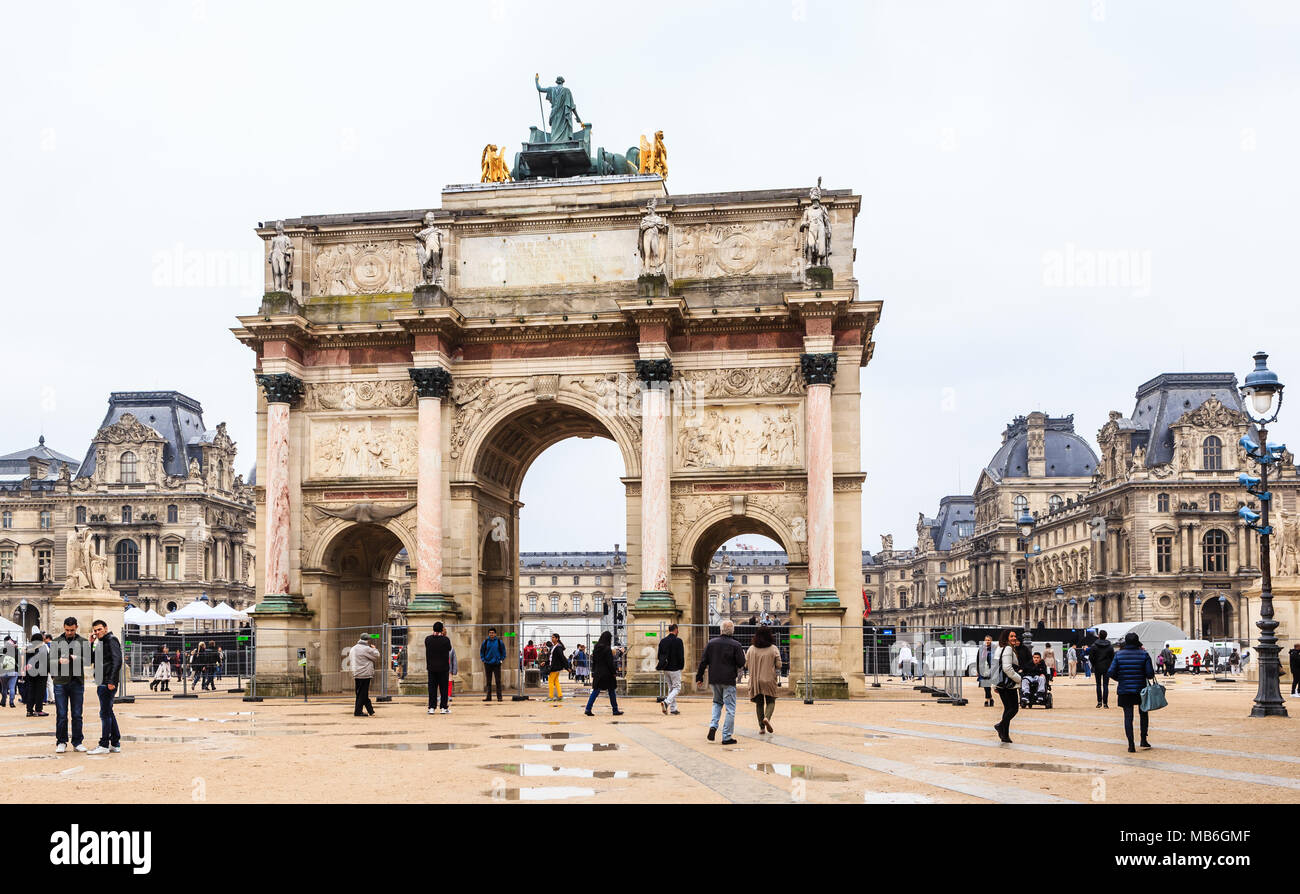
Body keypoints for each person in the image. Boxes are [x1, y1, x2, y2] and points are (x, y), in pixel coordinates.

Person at [696, 619, 746, 746]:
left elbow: (703, 661)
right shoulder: (736, 645)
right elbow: (741, 663)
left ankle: (713, 726)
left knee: (717, 703)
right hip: (728, 679)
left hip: (714, 679)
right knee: (730, 709)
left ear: (721, 630)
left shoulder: (711, 643)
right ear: (732, 631)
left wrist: (699, 677)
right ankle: (726, 736)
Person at [1107, 632, 1156, 752]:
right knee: (1143, 715)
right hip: (1141, 689)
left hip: (1125, 689)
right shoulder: (1144, 654)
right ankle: (1143, 740)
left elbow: (1110, 672)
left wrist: (1121, 679)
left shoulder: (1118, 655)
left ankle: (1131, 745)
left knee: (1128, 717)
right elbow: (1150, 674)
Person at [50, 618, 91, 753]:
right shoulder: (56, 642)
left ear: (76, 627)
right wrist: (59, 661)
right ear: (63, 627)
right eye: (67, 630)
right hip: (60, 682)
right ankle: (61, 741)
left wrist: (76, 658)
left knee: (77, 714)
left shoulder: (83, 642)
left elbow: (88, 661)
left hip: (77, 682)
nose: (69, 632)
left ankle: (77, 741)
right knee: (61, 714)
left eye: (72, 630)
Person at [87, 620, 122, 755]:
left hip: (107, 681)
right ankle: (115, 742)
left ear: (106, 628)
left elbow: (117, 660)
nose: (97, 632)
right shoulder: (101, 642)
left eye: (99, 629)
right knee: (108, 711)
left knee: (104, 713)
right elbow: (90, 659)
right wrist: (90, 643)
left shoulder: (111, 640)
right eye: (95, 630)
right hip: (103, 680)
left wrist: (112, 680)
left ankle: (104, 744)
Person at [746, 626, 781, 734]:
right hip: (769, 678)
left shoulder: (751, 649)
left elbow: (746, 664)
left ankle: (761, 727)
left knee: (759, 703)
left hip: (755, 680)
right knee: (771, 701)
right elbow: (779, 665)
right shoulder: (773, 648)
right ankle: (767, 718)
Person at [993, 629, 1023, 744]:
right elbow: (1007, 668)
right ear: (1006, 638)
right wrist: (1020, 679)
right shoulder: (1008, 648)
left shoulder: (999, 648)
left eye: (1015, 636)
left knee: (1007, 709)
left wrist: (994, 683)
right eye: (1011, 636)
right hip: (1008, 684)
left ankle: (1004, 735)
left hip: (1001, 683)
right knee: (1014, 708)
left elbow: (995, 666)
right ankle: (1000, 726)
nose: (1014, 638)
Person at [583, 631, 623, 716]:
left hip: (598, 672)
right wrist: (614, 672)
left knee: (595, 691)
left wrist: (593, 671)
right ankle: (615, 710)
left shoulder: (596, 648)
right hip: (607, 673)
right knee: (611, 691)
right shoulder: (607, 649)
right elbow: (610, 662)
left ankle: (588, 708)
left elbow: (594, 661)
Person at [346, 634, 380, 717]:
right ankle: (358, 712)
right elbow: (377, 655)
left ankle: (370, 710)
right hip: (365, 673)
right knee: (363, 693)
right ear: (367, 640)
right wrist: (374, 649)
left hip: (356, 672)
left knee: (361, 693)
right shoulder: (366, 648)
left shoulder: (353, 648)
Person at [655, 623, 685, 715]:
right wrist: (681, 666)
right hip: (675, 668)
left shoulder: (663, 641)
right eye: (678, 630)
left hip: (666, 668)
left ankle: (673, 709)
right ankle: (666, 702)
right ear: (675, 630)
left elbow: (659, 655)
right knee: (677, 688)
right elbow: (681, 656)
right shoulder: (678, 641)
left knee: (671, 688)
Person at [424, 622, 452, 714]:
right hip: (443, 668)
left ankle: (431, 707)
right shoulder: (445, 640)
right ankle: (443, 707)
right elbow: (449, 648)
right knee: (444, 688)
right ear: (441, 629)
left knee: (432, 688)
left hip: (431, 667)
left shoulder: (428, 639)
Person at [24, 633, 49, 717]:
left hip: (30, 673)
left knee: (31, 691)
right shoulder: (42, 648)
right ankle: (38, 710)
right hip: (41, 673)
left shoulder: (28, 648)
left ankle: (29, 710)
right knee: (40, 692)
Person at [479, 628, 506, 702]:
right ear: (488, 634)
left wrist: (501, 660)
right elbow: (482, 651)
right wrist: (484, 660)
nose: (491, 634)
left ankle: (499, 697)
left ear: (495, 634)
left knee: (498, 681)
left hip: (497, 664)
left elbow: (503, 652)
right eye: (490, 633)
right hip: (488, 664)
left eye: (493, 633)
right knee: (488, 681)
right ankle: (488, 697)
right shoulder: (485, 642)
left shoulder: (499, 642)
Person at [1090, 630, 1115, 708]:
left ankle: (1099, 702)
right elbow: (1112, 657)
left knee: (1098, 685)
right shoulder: (1110, 646)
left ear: (1099, 636)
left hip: (1097, 666)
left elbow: (1091, 657)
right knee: (1105, 685)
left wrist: (1094, 664)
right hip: (1107, 667)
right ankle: (1105, 703)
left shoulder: (1094, 646)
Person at [545, 633, 568, 702]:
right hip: (556, 666)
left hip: (555, 667)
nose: (552, 639)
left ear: (557, 638)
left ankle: (551, 697)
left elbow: (562, 658)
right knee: (556, 681)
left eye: (553, 637)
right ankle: (560, 696)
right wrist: (546, 662)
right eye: (552, 637)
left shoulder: (558, 647)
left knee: (550, 681)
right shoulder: (555, 647)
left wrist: (567, 667)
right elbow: (552, 658)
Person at [975, 635, 997, 707]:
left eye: (988, 640)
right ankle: (989, 699)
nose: (987, 641)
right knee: (985, 685)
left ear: (991, 641)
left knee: (988, 685)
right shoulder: (981, 649)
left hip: (991, 669)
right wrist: (978, 670)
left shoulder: (994, 648)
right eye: (986, 640)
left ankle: (987, 700)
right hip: (983, 669)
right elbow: (978, 660)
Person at [0, 636, 18, 707]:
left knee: (4, 688)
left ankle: (3, 702)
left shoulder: (2, 650)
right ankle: (11, 702)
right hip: (13, 671)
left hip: (3, 671)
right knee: (12, 687)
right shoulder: (15, 650)